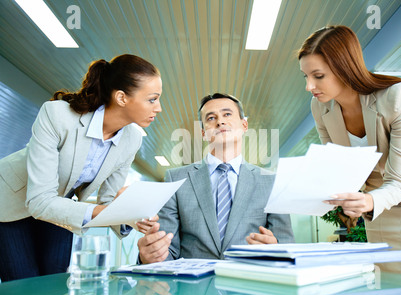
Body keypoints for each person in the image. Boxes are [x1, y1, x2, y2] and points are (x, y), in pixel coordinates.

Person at [297, 25, 401, 280]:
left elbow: (400, 181)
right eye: (305, 76)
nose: (309, 85)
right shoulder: (319, 107)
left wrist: (368, 201)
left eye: (318, 75)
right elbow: (338, 165)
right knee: (386, 281)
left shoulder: (397, 96)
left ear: (344, 68)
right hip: (378, 206)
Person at [0, 54, 163, 282]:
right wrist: (108, 212)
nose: (159, 108)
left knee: (54, 285)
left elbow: (107, 202)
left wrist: (132, 218)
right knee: (23, 285)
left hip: (59, 207)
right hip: (11, 201)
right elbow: (39, 201)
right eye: (153, 99)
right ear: (122, 98)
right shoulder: (57, 115)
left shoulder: (132, 139)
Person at [137, 93, 294, 264]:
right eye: (211, 118)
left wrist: (277, 249)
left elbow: (287, 246)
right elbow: (167, 251)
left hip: (249, 285)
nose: (220, 122)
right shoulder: (175, 179)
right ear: (204, 133)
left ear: (244, 125)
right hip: (192, 288)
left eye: (227, 114)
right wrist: (150, 256)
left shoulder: (272, 182)